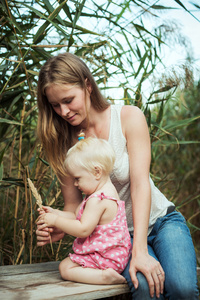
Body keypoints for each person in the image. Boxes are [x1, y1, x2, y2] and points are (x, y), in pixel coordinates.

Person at [36, 52, 199, 299]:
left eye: (69, 100)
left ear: (88, 86)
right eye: (55, 105)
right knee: (145, 288)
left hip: (161, 222)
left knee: (183, 289)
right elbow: (74, 206)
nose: (64, 111)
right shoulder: (64, 145)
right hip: (116, 237)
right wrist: (58, 223)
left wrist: (141, 250)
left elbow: (140, 185)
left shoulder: (128, 117)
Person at [37, 137, 132, 285]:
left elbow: (82, 229)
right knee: (66, 266)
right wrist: (55, 212)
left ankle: (104, 276)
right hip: (110, 254)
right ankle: (103, 274)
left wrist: (56, 221)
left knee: (65, 268)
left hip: (106, 257)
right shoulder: (101, 192)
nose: (75, 184)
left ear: (96, 172)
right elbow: (77, 216)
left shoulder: (98, 200)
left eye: (77, 178)